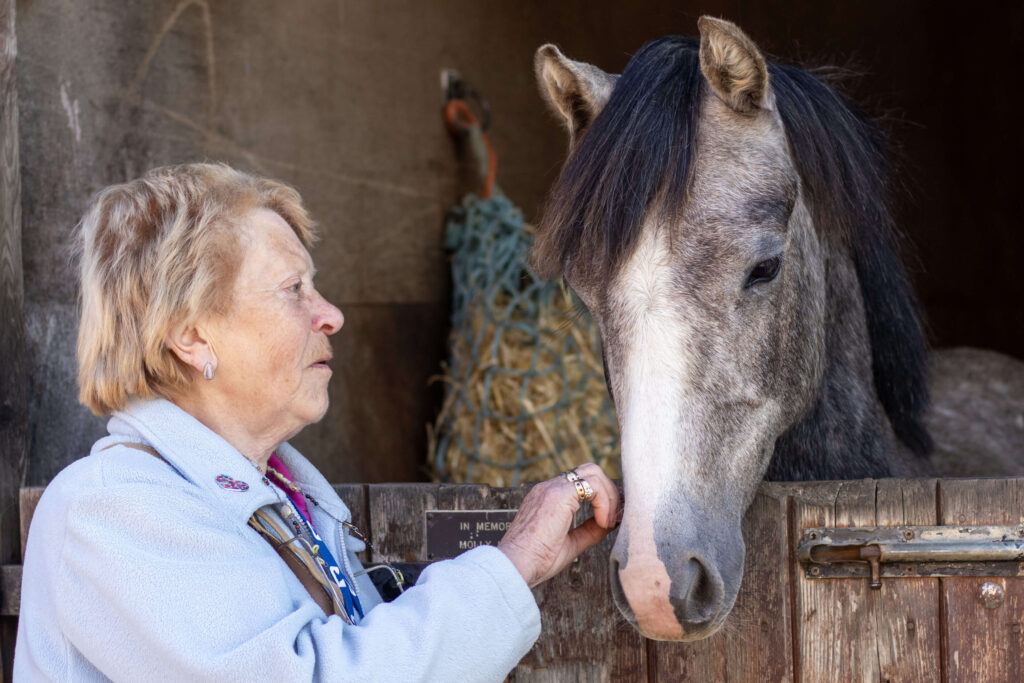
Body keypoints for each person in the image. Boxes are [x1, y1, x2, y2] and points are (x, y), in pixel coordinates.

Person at [14, 163, 621, 681]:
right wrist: (513, 561)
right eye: (293, 288)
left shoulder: (279, 499)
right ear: (191, 335)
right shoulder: (111, 510)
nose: (330, 314)